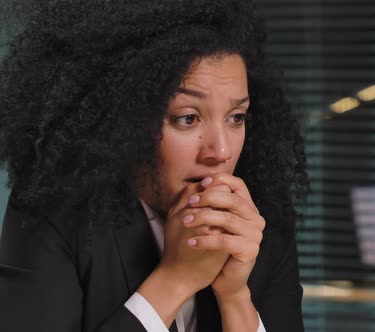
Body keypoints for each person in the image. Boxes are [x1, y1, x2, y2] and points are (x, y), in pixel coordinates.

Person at [0, 0, 308, 331]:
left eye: (236, 117)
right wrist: (176, 280)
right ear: (125, 121)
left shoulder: (261, 222)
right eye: (188, 118)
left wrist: (234, 296)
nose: (220, 150)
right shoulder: (52, 217)